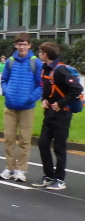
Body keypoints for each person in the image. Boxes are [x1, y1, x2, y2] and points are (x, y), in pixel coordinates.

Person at [31, 42, 83, 191]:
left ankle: (60, 179)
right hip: (50, 113)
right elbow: (47, 88)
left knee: (59, 147)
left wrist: (61, 103)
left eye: (40, 52)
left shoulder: (60, 71)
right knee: (43, 143)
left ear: (45, 54)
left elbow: (77, 89)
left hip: (62, 114)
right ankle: (48, 175)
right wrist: (44, 99)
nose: (39, 54)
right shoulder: (45, 68)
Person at [0, 33, 42, 182]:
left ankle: (21, 169)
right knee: (9, 138)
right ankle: (9, 168)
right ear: (15, 45)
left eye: (24, 44)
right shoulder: (10, 62)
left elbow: (40, 85)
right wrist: (7, 92)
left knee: (24, 139)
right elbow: (4, 80)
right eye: (19, 44)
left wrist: (31, 98)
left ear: (29, 45)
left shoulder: (36, 62)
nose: (22, 47)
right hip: (10, 106)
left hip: (27, 108)